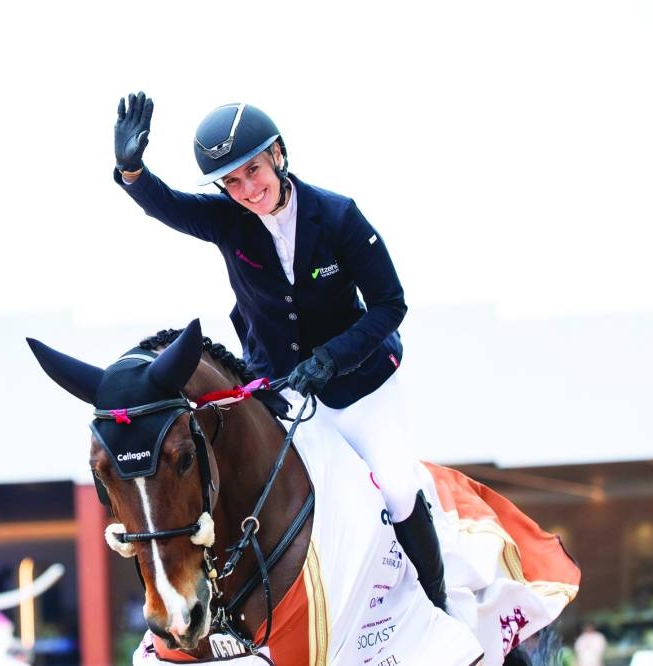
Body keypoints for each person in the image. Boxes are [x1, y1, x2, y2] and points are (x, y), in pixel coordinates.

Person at [113, 91, 446, 609]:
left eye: (253, 171)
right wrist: (133, 173)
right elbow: (169, 207)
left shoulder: (337, 216)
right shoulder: (228, 221)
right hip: (282, 391)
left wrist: (332, 358)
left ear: (278, 155)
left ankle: (439, 602)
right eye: (232, 182)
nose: (247, 190)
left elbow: (390, 304)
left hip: (359, 385)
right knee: (278, 500)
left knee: (399, 489)